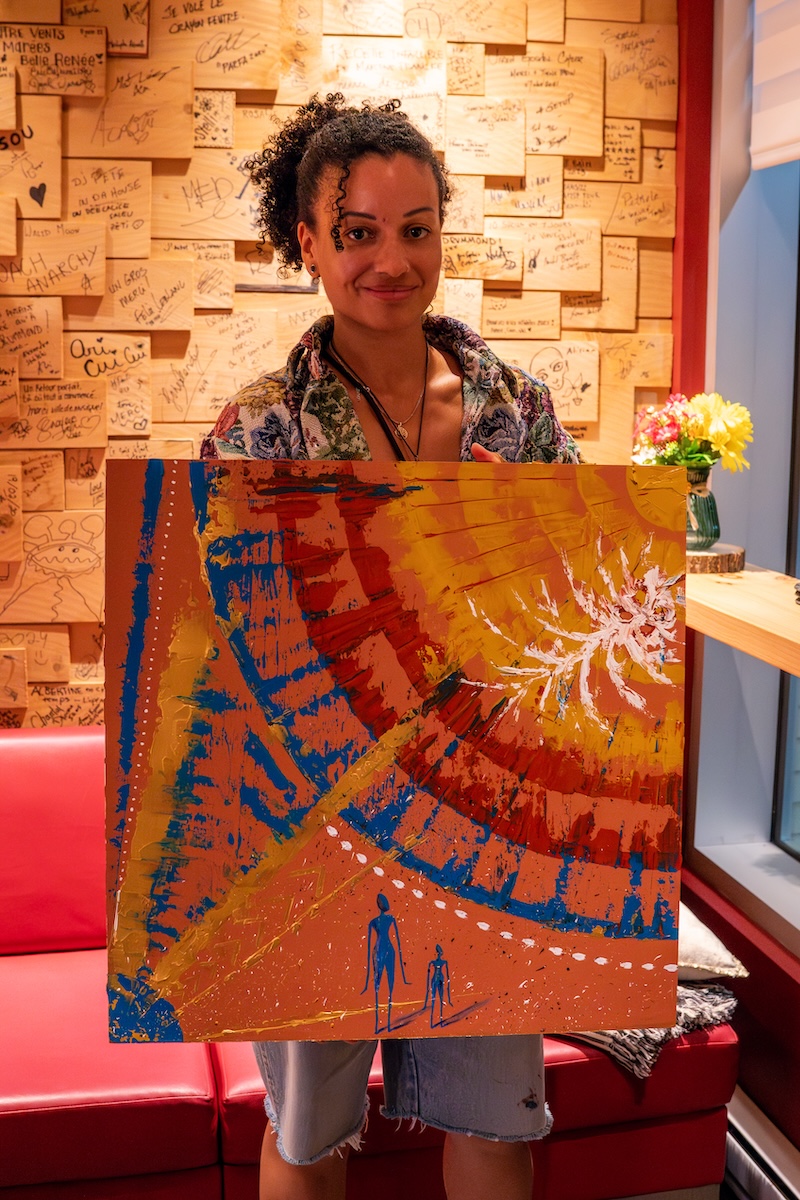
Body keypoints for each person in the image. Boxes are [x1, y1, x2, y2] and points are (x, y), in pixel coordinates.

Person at [203, 91, 580, 1200]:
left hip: (485, 812)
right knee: (308, 1133)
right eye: (358, 231)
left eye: (415, 228)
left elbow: (579, 603)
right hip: (311, 825)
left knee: (496, 1123)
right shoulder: (260, 427)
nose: (390, 260)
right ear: (308, 243)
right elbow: (217, 652)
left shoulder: (517, 413)